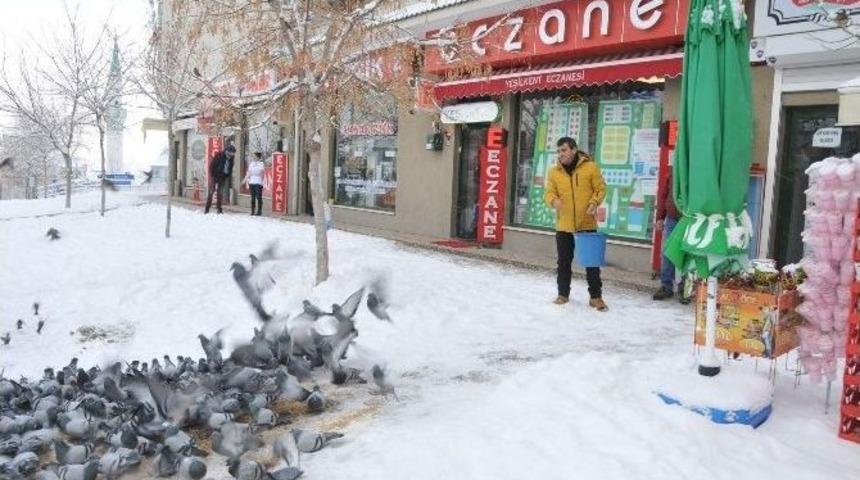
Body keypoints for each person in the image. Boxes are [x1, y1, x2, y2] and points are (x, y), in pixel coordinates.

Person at [544, 137, 608, 312]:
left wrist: (594, 202)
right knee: (563, 262)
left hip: (586, 223)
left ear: (573, 150)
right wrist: (553, 200)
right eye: (558, 151)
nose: (561, 154)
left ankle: (596, 297)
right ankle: (562, 294)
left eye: (564, 150)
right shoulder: (554, 172)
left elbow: (601, 188)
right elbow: (548, 193)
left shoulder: (590, 167)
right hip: (564, 225)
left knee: (592, 263)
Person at [653, 167, 683, 301]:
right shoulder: (672, 170)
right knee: (667, 252)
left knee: (687, 253)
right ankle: (666, 286)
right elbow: (664, 194)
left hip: (688, 218)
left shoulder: (697, 167)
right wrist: (660, 217)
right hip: (671, 217)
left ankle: (685, 288)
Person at [204, 144, 235, 214]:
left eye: (233, 153)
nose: (233, 154)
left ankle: (219, 209)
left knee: (220, 193)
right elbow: (212, 165)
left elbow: (230, 168)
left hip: (223, 177)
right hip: (215, 176)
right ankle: (207, 209)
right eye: (232, 152)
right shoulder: (219, 155)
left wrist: (227, 175)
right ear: (228, 151)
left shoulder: (231, 159)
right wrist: (213, 175)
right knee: (211, 192)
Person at [242, 152, 267, 216]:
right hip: (252, 182)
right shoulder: (251, 164)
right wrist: (244, 180)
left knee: (258, 197)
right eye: (253, 156)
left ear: (258, 157)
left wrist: (254, 171)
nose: (254, 157)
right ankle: (252, 211)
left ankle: (259, 211)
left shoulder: (261, 164)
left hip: (258, 182)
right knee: (252, 197)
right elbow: (249, 173)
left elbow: (259, 172)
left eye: (255, 156)